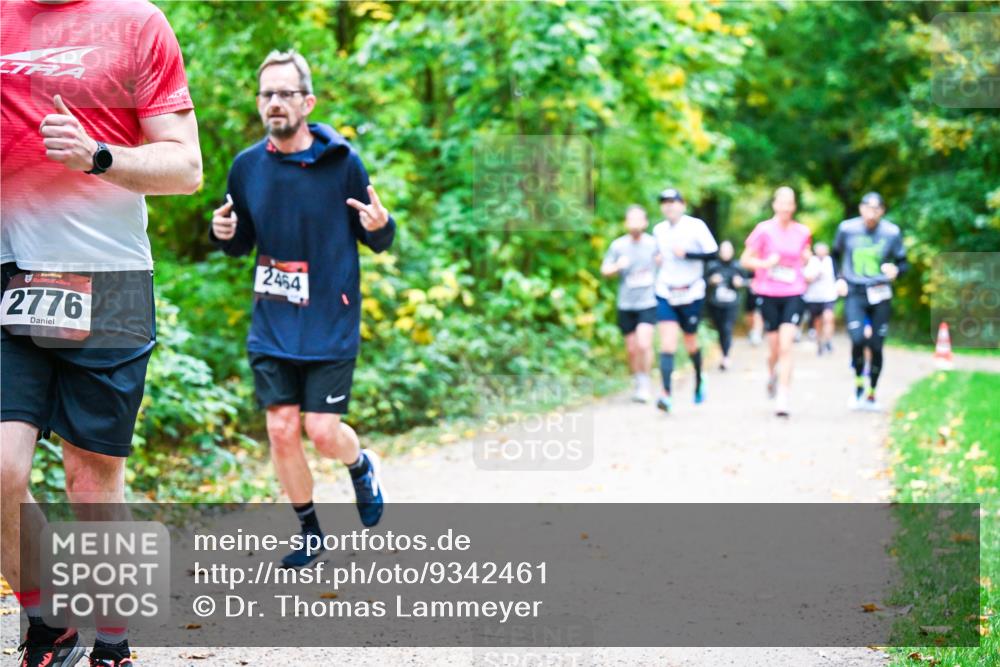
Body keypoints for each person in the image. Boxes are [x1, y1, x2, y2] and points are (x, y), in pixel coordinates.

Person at [0, 1, 202, 665]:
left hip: (109, 282)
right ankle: (47, 615)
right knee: (1, 469)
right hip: (12, 275)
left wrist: (100, 156)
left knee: (91, 483)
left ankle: (112, 640)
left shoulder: (137, 22)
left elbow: (186, 168)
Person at [210, 50, 394, 568]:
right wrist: (222, 233)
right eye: (266, 94)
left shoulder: (342, 163)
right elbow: (239, 240)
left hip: (330, 319)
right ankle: (310, 530)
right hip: (273, 318)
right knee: (280, 428)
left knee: (321, 430)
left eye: (285, 94)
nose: (274, 103)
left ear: (307, 102)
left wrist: (381, 225)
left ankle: (360, 465)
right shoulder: (246, 167)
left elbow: (377, 237)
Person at [832, 192, 907, 411]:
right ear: (860, 209)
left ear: (882, 211)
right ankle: (857, 387)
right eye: (868, 208)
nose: (872, 213)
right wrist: (838, 279)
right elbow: (834, 255)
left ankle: (872, 393)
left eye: (877, 209)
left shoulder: (892, 232)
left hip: (881, 292)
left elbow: (903, 264)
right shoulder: (847, 229)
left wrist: (896, 271)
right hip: (855, 291)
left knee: (876, 345)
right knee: (857, 340)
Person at [741, 187, 812, 417]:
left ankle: (783, 397)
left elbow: (806, 256)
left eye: (790, 203)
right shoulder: (763, 230)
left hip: (794, 292)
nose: (786, 207)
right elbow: (745, 260)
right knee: (773, 349)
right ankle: (772, 374)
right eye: (782, 202)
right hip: (768, 292)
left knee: (786, 346)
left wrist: (807, 260)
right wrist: (765, 264)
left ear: (794, 206)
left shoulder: (802, 231)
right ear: (774, 204)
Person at [651, 188, 719, 412]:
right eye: (665, 202)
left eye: (673, 201)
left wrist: (688, 254)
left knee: (690, 342)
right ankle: (666, 393)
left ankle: (700, 378)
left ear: (683, 204)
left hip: (691, 292)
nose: (669, 205)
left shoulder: (696, 226)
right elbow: (657, 255)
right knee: (667, 343)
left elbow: (713, 253)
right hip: (666, 291)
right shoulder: (658, 230)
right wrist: (657, 259)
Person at [601, 205, 659, 402]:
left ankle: (645, 382)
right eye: (630, 219)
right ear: (626, 223)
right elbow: (605, 270)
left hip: (648, 302)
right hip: (626, 304)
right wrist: (618, 266)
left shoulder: (653, 244)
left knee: (644, 343)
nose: (634, 223)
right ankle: (638, 379)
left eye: (638, 219)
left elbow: (666, 263)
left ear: (645, 222)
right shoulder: (618, 246)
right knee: (632, 348)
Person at [704, 241, 745, 370]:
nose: (726, 253)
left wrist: (740, 282)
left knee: (727, 328)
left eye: (728, 250)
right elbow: (702, 281)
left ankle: (725, 357)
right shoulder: (712, 266)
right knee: (720, 329)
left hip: (732, 303)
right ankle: (722, 352)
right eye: (723, 251)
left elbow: (747, 280)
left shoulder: (737, 266)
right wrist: (711, 281)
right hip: (715, 303)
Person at [802, 242, 837, 355]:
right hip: (814, 297)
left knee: (828, 318)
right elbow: (805, 278)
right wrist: (815, 275)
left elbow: (839, 275)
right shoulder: (810, 261)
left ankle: (828, 340)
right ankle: (819, 343)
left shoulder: (831, 261)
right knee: (817, 321)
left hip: (828, 295)